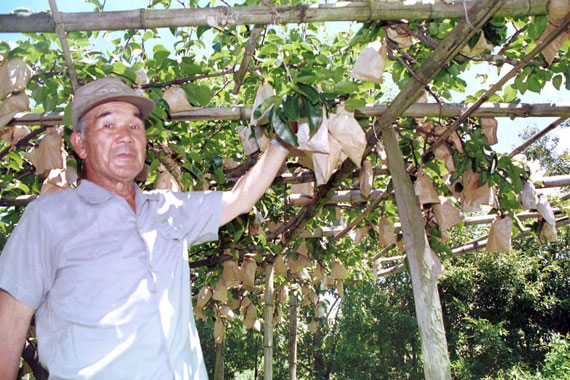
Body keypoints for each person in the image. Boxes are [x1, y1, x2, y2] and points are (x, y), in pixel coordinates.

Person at [0, 78, 289, 380]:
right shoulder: (48, 218)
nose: (126, 136)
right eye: (108, 125)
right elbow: (10, 323)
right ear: (80, 145)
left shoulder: (168, 209)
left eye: (135, 126)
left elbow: (240, 198)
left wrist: (282, 142)